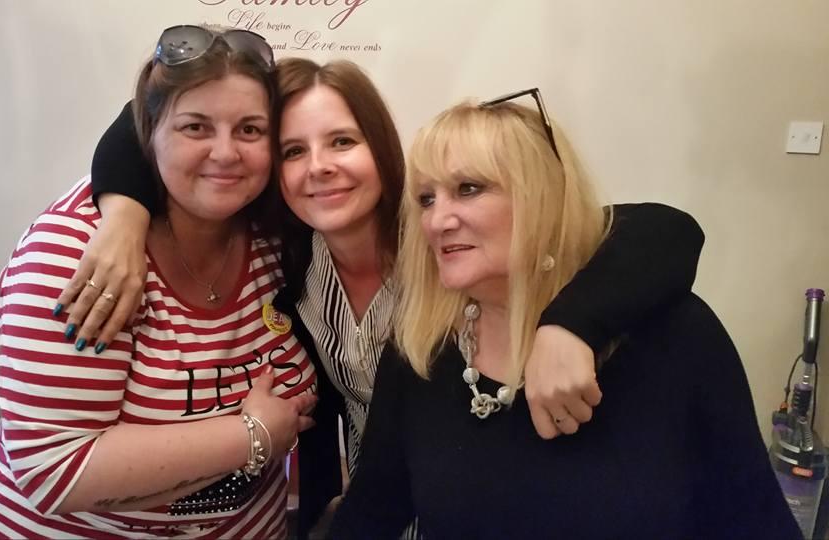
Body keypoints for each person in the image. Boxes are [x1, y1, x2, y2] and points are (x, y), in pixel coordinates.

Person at [59, 60, 707, 535]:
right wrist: (123, 216)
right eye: (292, 150)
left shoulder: (444, 237)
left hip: (492, 495)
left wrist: (570, 325)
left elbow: (661, 229)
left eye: (342, 141)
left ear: (379, 146)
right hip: (379, 502)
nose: (319, 167)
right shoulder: (286, 257)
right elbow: (152, 120)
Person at [328, 94, 802, 539]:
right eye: (427, 199)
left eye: (468, 189)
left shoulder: (674, 333)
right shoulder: (420, 348)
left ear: (541, 200)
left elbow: (753, 517)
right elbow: (373, 509)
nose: (437, 221)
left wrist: (567, 327)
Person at [0, 26, 318, 539]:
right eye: (195, 128)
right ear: (148, 134)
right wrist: (254, 436)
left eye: (249, 130)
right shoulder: (77, 256)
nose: (225, 153)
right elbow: (55, 475)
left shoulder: (276, 231)